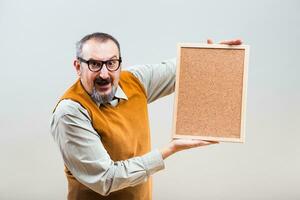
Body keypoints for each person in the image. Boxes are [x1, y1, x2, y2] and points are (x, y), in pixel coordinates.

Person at [50, 32, 242, 200]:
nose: (104, 74)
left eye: (111, 63)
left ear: (119, 63)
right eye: (94, 64)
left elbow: (182, 69)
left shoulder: (135, 81)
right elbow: (106, 179)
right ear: (77, 67)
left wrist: (209, 56)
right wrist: (170, 149)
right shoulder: (70, 112)